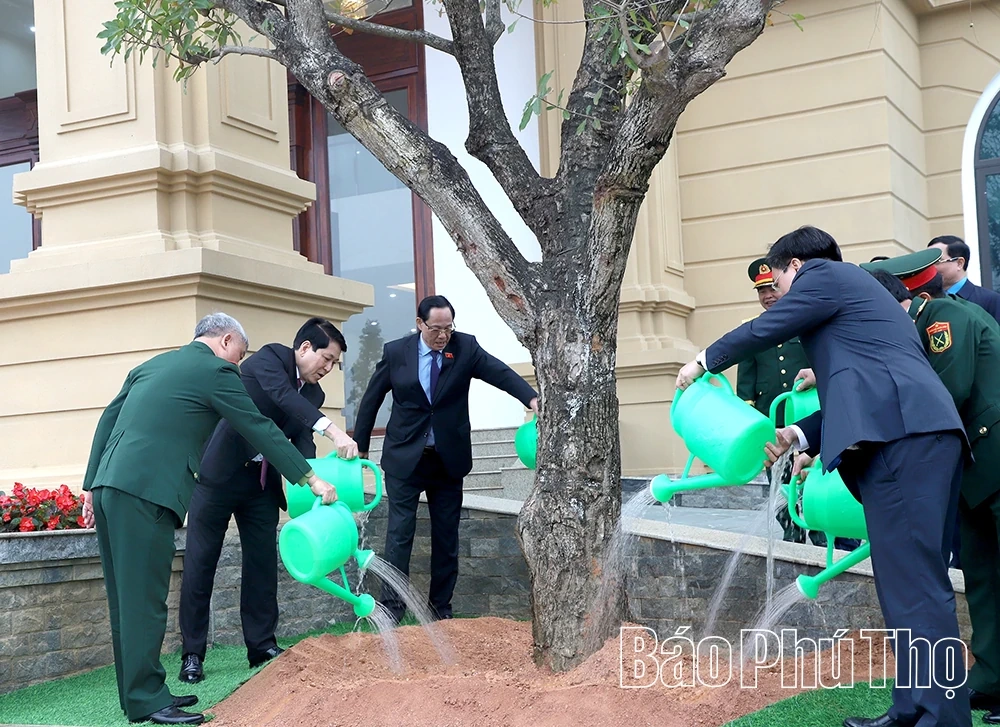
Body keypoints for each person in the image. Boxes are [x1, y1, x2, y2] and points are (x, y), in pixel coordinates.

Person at [675, 226, 970, 727]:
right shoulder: (854, 299)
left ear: (795, 265)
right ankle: (912, 708)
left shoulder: (826, 275)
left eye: (777, 280)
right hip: (908, 438)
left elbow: (766, 327)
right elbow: (863, 387)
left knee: (918, 586)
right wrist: (796, 434)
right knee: (905, 586)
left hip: (905, 441)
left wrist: (704, 361)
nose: (777, 294)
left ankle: (942, 718)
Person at [80, 314, 337, 726]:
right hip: (148, 490)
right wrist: (310, 477)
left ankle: (140, 695)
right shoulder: (217, 370)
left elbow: (108, 420)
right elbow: (257, 425)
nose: (240, 365)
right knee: (145, 601)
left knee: (125, 601)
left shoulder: (153, 364)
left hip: (112, 486)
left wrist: (91, 484)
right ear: (227, 340)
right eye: (240, 355)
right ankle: (147, 699)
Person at [178, 318, 357, 685]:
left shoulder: (314, 396)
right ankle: (192, 654)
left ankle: (261, 645)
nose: (327, 368)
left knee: (261, 564)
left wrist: (317, 481)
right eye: (326, 358)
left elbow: (301, 443)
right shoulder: (269, 359)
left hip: (261, 484)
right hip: (218, 477)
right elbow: (282, 398)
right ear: (304, 348)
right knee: (200, 562)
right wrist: (334, 430)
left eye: (334, 364)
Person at [863, 252, 1000, 723]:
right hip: (970, 471)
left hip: (992, 458)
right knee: (982, 577)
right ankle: (992, 677)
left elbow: (947, 390)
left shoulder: (941, 318)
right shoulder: (918, 324)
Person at [352, 295, 538, 624]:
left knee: (446, 537)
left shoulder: (465, 348)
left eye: (448, 328)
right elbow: (371, 397)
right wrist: (362, 445)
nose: (442, 336)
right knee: (399, 536)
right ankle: (392, 609)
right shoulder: (397, 352)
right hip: (405, 458)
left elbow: (499, 372)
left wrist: (531, 397)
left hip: (447, 460)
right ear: (420, 324)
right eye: (436, 329)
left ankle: (440, 609)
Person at [928, 235, 1000, 324]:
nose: (930, 268)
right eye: (928, 262)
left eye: (936, 262)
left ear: (959, 263)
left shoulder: (990, 300)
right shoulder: (926, 300)